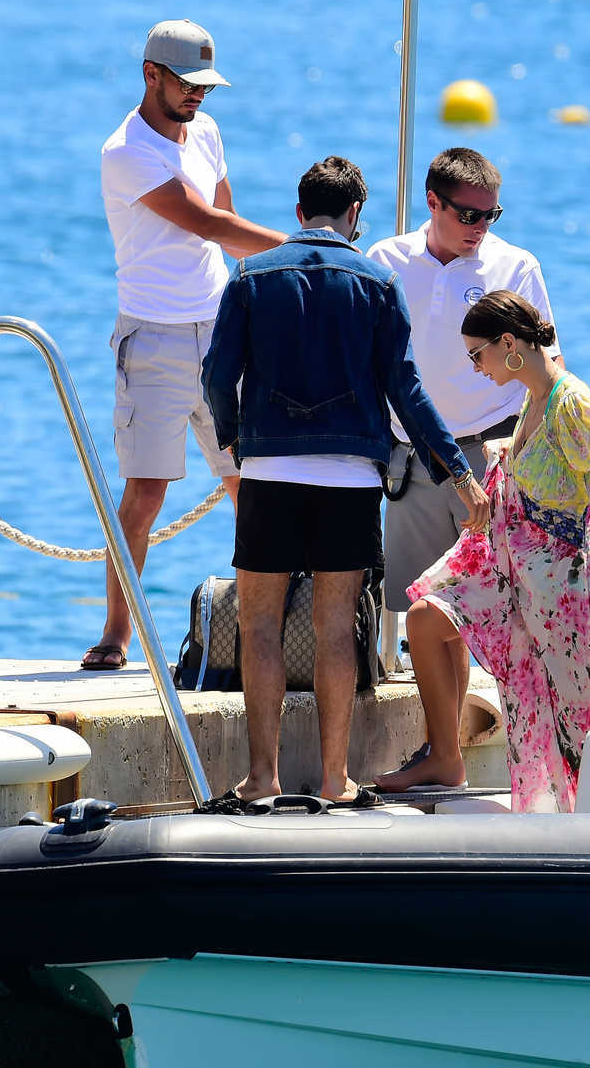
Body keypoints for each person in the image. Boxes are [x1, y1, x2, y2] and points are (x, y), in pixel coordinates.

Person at [201, 157, 487, 805]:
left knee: (261, 626)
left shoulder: (249, 274)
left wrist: (233, 439)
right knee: (336, 629)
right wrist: (460, 474)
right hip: (353, 480)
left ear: (300, 212)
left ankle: (263, 778)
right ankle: (335, 779)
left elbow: (218, 375)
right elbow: (406, 391)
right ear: (355, 215)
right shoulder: (379, 281)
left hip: (271, 470)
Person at [375, 291, 590, 812]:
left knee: (578, 725)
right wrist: (506, 452)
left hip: (569, 590)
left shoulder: (572, 401)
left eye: (477, 355)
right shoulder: (531, 400)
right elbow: (544, 464)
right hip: (516, 574)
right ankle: (447, 760)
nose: (475, 367)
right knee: (426, 617)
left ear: (508, 344)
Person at [82, 19, 287, 671]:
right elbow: (206, 221)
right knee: (144, 496)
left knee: (249, 485)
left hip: (221, 331)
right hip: (155, 338)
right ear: (152, 75)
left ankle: (273, 627)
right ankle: (117, 634)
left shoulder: (207, 133)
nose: (199, 96)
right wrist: (307, 252)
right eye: (188, 83)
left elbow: (228, 238)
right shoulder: (125, 151)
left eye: (207, 84)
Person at [366, 147, 562, 620]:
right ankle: (443, 698)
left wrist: (521, 458)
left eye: (491, 214)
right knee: (424, 612)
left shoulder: (516, 267)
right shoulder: (385, 259)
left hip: (495, 452)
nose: (481, 227)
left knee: (503, 610)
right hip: (413, 460)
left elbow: (551, 369)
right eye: (470, 214)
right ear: (432, 201)